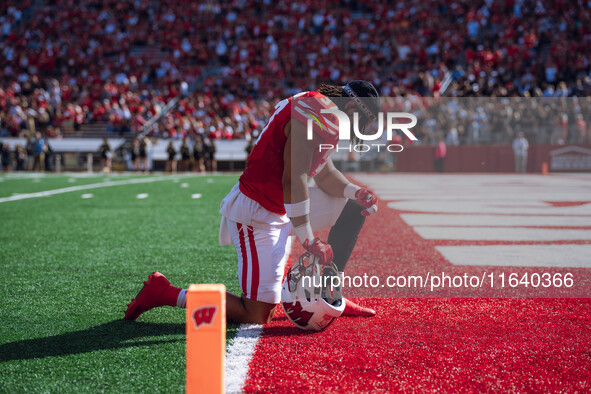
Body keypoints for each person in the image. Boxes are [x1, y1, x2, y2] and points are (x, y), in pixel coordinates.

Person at [124, 81, 381, 324]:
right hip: (259, 211)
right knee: (257, 314)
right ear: (351, 108)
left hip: (282, 204)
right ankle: (165, 293)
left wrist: (353, 191)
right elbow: (294, 178)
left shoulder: (325, 111)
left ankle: (328, 289)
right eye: (363, 123)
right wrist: (309, 238)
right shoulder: (315, 112)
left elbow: (323, 173)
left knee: (354, 208)